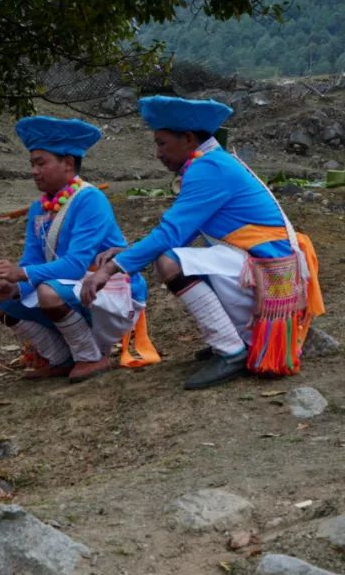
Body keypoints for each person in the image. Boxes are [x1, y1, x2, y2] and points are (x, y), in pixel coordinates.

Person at [82, 96, 324, 389]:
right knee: (175, 256)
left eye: (161, 143)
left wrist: (111, 269)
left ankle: (231, 350)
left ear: (187, 139)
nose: (157, 153)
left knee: (169, 262)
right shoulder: (212, 163)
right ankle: (232, 338)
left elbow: (170, 235)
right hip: (266, 265)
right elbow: (181, 234)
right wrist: (129, 253)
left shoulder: (207, 168)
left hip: (266, 268)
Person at [0, 116, 156, 383]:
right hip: (67, 286)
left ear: (68, 163)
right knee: (1, 302)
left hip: (110, 290)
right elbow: (32, 260)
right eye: (32, 164)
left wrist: (21, 274)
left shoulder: (90, 199)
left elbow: (75, 265)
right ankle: (60, 359)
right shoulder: (38, 208)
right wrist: (15, 289)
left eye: (41, 163)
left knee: (47, 292)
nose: (34, 171)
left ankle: (90, 357)